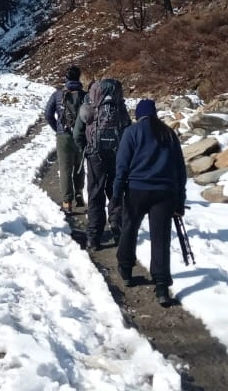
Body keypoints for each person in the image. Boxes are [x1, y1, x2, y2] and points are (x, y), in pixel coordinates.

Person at [114, 98, 186, 307]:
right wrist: (179, 200)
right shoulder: (168, 133)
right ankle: (161, 286)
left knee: (129, 229)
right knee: (160, 238)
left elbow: (122, 166)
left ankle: (126, 270)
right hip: (164, 193)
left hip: (137, 190)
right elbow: (180, 171)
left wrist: (117, 195)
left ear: (138, 115)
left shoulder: (132, 132)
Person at [72, 77, 130, 251]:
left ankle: (93, 238)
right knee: (115, 191)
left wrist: (85, 149)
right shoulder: (119, 107)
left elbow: (77, 134)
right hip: (117, 154)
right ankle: (118, 228)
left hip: (95, 155)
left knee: (95, 194)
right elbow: (128, 129)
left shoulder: (89, 105)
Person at [43, 65, 86, 212]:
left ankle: (67, 202)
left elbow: (48, 114)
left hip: (63, 136)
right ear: (79, 77)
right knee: (79, 166)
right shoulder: (85, 95)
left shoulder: (57, 95)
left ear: (66, 78)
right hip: (80, 136)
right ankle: (79, 195)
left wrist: (58, 129)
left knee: (65, 168)